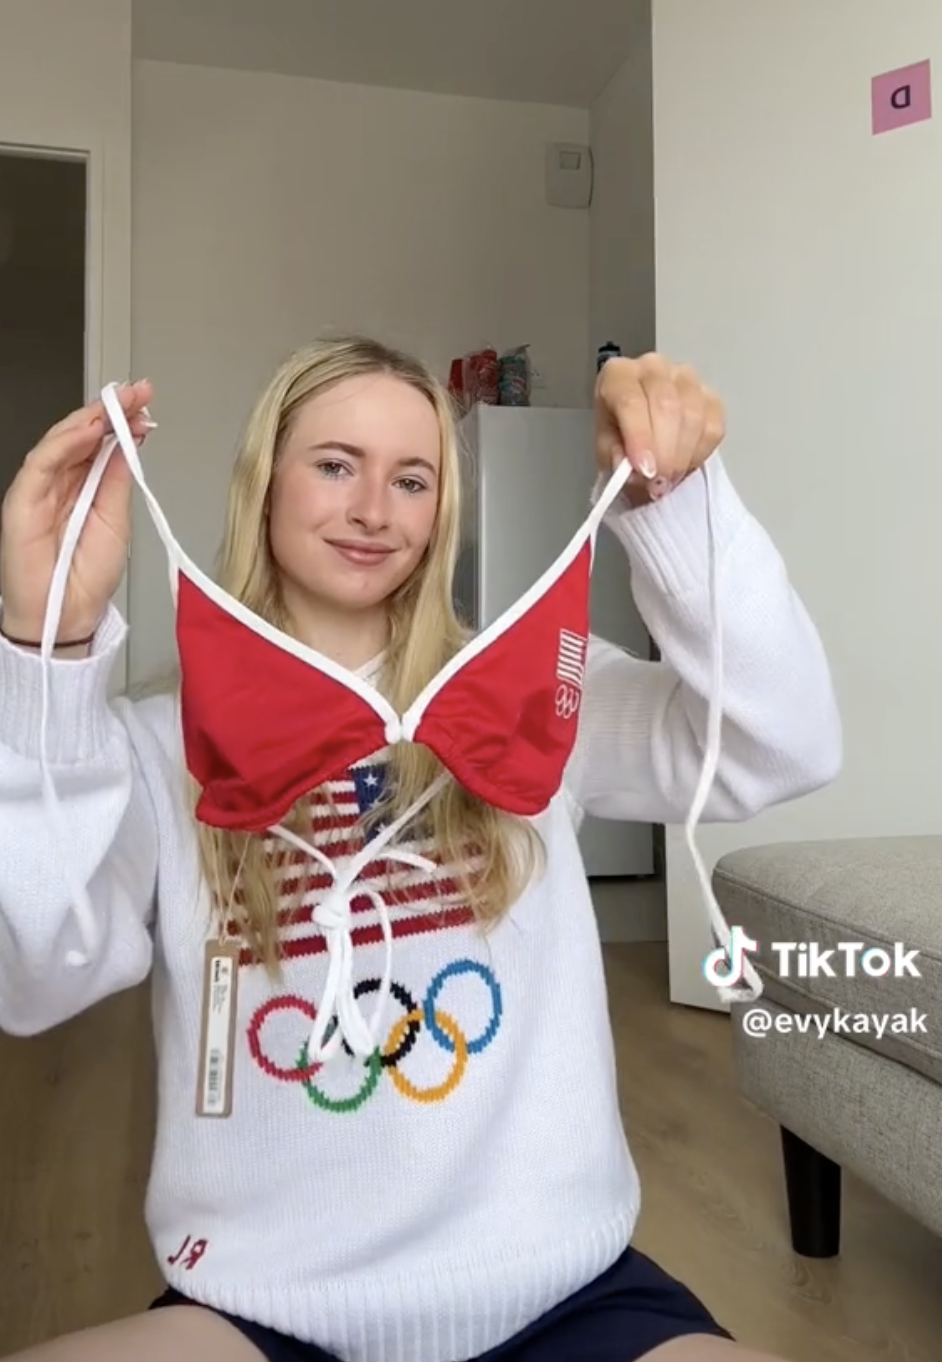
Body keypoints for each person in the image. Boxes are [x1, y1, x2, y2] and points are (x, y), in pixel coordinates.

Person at [0, 337, 841, 1362]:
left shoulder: (536, 698)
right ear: (263, 482)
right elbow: (35, 976)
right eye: (335, 465)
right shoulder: (150, 746)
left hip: (566, 1293)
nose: (373, 511)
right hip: (262, 1309)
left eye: (412, 479)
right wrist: (51, 648)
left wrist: (677, 507)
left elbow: (782, 745)